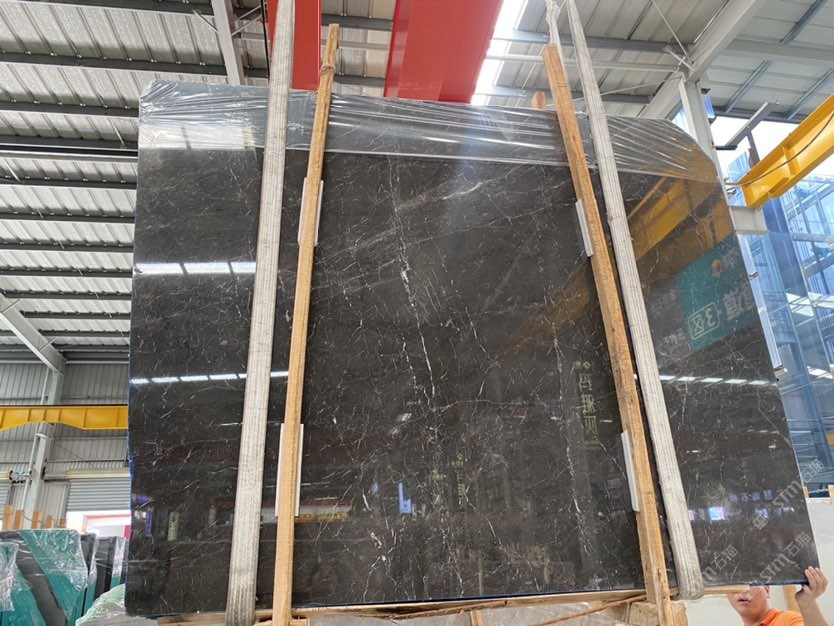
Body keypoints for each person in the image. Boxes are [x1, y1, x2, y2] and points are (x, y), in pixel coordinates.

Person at [727, 567, 829, 626]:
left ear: (767, 589)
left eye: (750, 583)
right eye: (734, 584)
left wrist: (807, 604)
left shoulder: (788, 621)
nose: (742, 591)